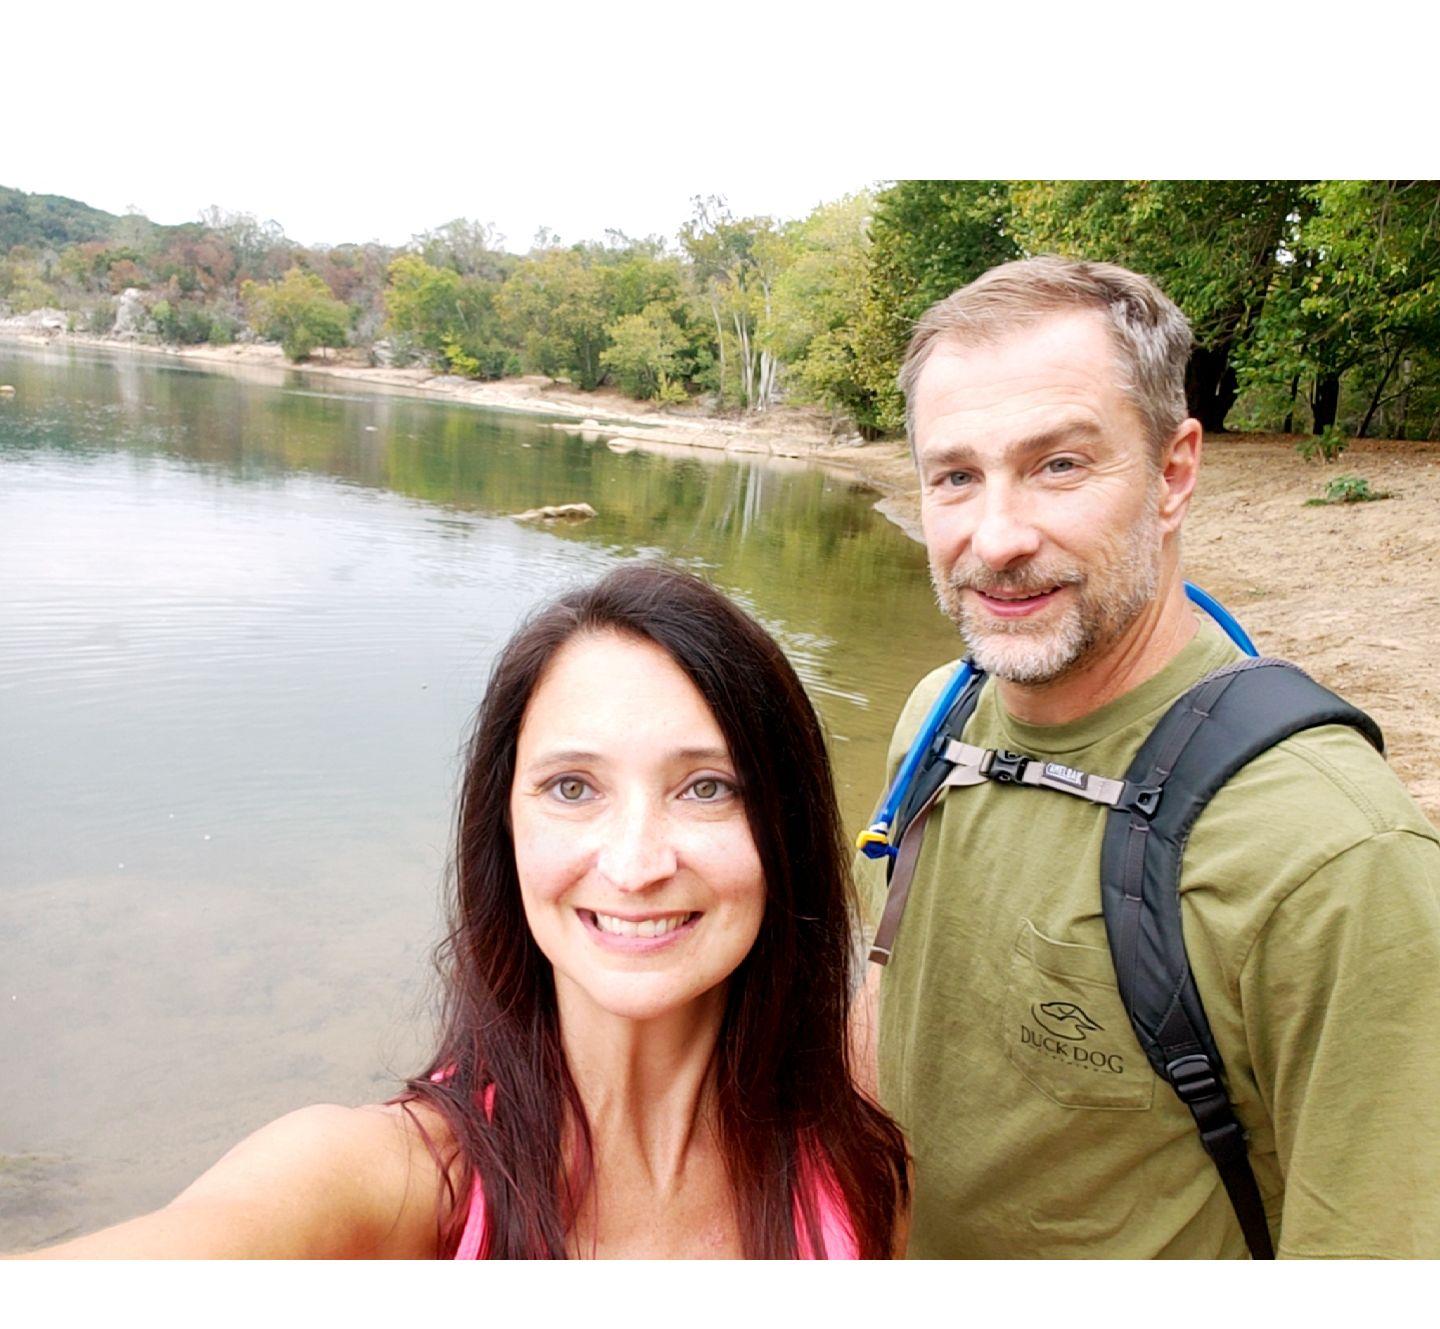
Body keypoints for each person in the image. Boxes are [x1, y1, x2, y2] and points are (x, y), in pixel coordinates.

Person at [20, 564, 908, 1259]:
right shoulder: (397, 1184)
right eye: (572, 787)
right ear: (504, 828)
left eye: (707, 788)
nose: (637, 865)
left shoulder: (858, 1168)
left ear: (784, 828)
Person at [854, 256, 1440, 1259]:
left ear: (1175, 473)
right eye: (956, 475)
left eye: (1059, 465)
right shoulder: (936, 717)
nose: (996, 538)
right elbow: (886, 1006)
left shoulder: (1338, 858)